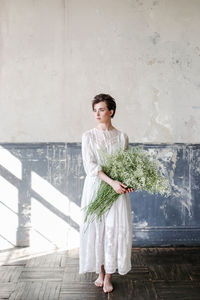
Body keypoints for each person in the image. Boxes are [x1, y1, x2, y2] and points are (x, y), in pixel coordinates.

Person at [79, 93, 134, 293]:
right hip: (97, 187)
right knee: (97, 230)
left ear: (111, 111)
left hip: (116, 190)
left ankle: (109, 274)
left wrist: (129, 183)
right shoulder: (88, 136)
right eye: (95, 110)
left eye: (101, 109)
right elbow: (90, 165)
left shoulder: (122, 137)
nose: (97, 113)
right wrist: (111, 182)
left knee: (113, 229)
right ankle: (99, 272)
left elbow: (126, 166)